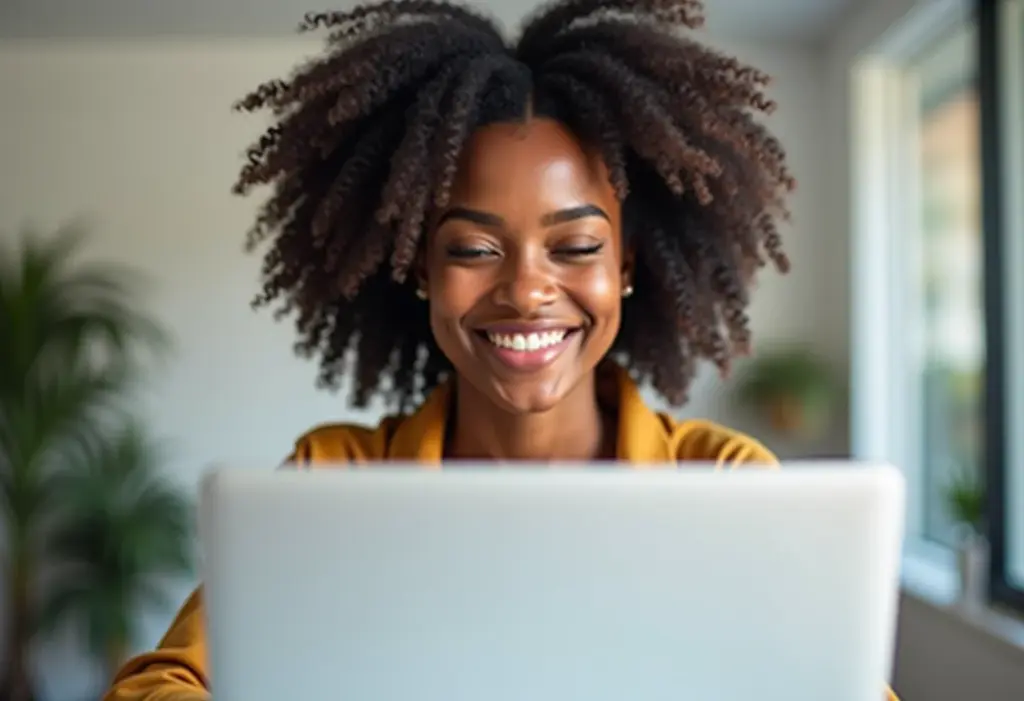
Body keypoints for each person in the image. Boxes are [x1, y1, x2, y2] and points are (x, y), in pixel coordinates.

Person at [103, 1, 898, 699]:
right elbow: (154, 686)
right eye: (474, 249)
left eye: (576, 245)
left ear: (626, 267)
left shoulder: (731, 489)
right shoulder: (334, 480)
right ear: (419, 270)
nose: (525, 290)